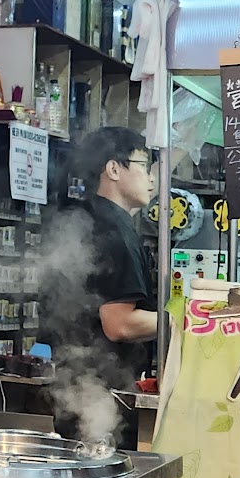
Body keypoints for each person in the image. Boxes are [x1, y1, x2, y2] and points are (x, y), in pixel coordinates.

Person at [40, 126, 158, 430]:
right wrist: (186, 322)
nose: (152, 179)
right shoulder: (115, 232)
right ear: (114, 169)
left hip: (76, 386)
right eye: (145, 167)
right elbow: (120, 324)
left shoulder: (88, 218)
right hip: (101, 397)